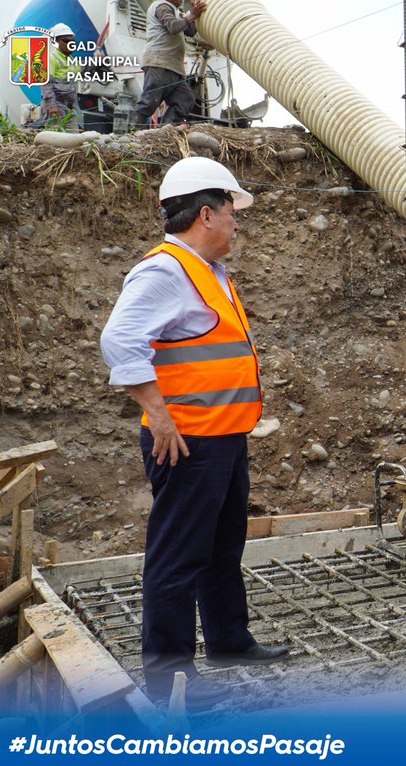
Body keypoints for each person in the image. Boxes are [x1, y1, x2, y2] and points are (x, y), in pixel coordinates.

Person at [100, 157, 287, 709]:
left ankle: (229, 642)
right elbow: (119, 342)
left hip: (223, 436)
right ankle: (170, 681)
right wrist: (158, 414)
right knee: (177, 560)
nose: (237, 224)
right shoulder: (165, 271)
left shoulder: (208, 272)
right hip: (187, 442)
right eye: (232, 212)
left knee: (222, 548)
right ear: (206, 213)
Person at [132, 0, 206, 128]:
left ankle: (165, 130)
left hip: (173, 66)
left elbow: (190, 31)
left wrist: (194, 16)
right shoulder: (162, 6)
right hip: (159, 62)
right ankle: (130, 133)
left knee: (185, 99)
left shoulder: (175, 11)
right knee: (149, 102)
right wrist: (192, 15)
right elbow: (173, 27)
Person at [38, 23, 80, 128]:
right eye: (66, 41)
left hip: (69, 108)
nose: (70, 44)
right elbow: (46, 83)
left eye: (72, 41)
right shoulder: (51, 58)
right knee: (56, 141)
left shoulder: (70, 60)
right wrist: (52, 106)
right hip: (56, 106)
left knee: (72, 140)